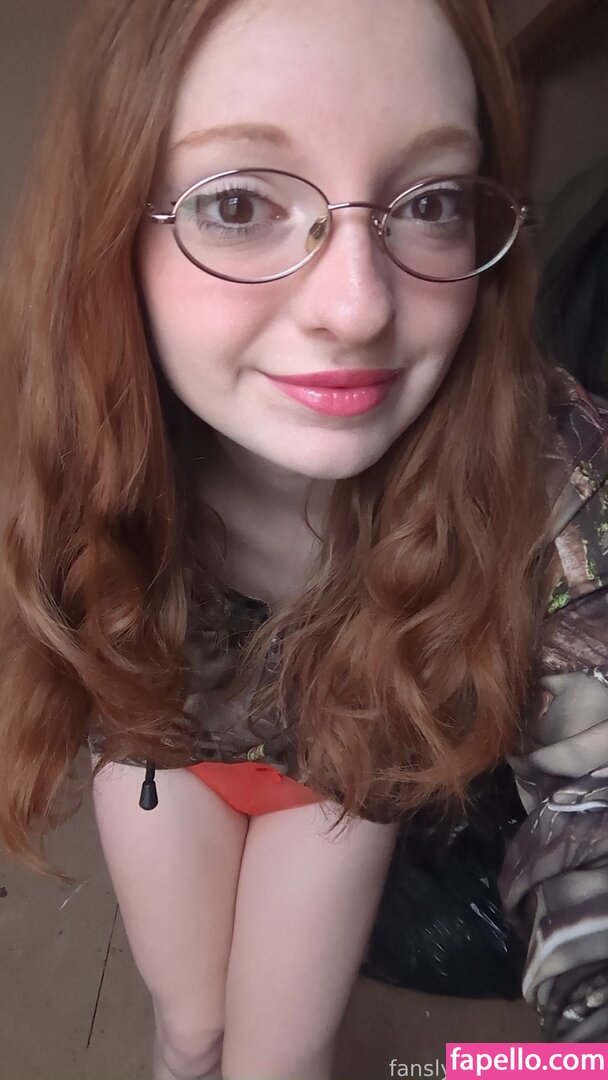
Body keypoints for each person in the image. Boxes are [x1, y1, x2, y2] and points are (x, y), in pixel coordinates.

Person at [1, 0, 607, 1076]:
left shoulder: (546, 468)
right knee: (190, 1032)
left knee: (277, 1060)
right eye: (238, 203)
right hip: (162, 755)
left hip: (347, 769)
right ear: (112, 229)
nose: (357, 307)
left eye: (429, 201)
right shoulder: (45, 434)